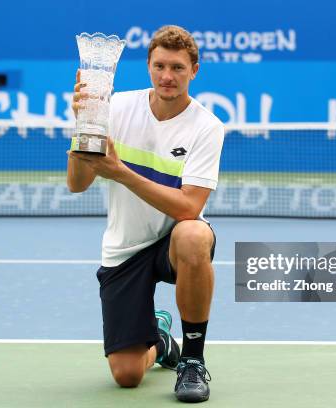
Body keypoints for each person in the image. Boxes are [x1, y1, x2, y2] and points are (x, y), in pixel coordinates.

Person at [67, 25, 224, 403]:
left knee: (194, 233)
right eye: (159, 66)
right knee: (127, 375)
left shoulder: (207, 127)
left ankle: (191, 359)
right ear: (149, 67)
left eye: (177, 68)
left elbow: (190, 207)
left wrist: (121, 172)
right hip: (125, 249)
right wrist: (84, 128)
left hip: (173, 243)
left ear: (194, 71)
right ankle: (161, 341)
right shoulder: (117, 107)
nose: (167, 76)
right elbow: (77, 184)